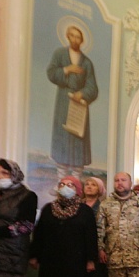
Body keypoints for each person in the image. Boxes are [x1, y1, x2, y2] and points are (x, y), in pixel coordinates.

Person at [47, 25, 98, 169]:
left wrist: (82, 93)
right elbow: (51, 73)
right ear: (68, 37)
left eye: (78, 37)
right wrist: (67, 69)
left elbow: (92, 87)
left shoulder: (87, 62)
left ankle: (77, 177)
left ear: (82, 40)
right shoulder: (60, 54)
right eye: (73, 36)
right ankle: (61, 178)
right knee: (62, 136)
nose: (75, 40)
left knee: (78, 139)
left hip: (80, 103)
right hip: (64, 100)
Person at [81, 177, 108, 277]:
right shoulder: (78, 206)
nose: (89, 187)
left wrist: (101, 249)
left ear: (99, 189)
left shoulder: (103, 206)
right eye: (87, 184)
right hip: (80, 253)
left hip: (98, 253)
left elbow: (105, 230)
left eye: (93, 185)